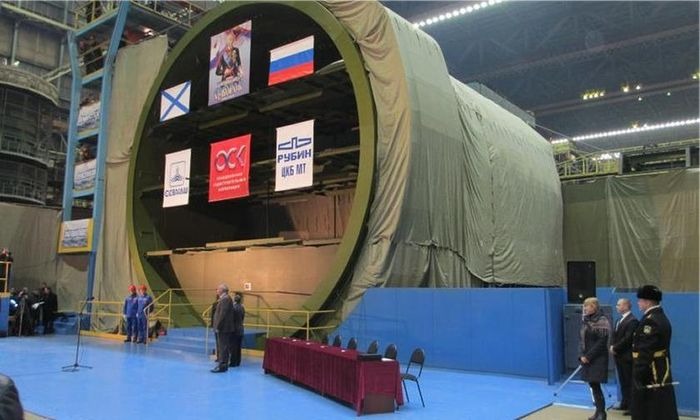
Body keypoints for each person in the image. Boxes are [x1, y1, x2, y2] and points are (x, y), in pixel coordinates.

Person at [631, 285, 678, 420]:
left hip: (651, 370)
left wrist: (638, 373)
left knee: (652, 407)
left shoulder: (651, 321)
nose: (638, 303)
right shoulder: (660, 317)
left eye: (640, 300)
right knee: (660, 405)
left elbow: (646, 350)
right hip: (659, 366)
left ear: (647, 302)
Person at [579, 297, 611, 420]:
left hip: (597, 358)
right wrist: (581, 355)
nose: (585, 308)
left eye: (587, 306)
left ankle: (602, 413)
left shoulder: (602, 320)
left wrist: (588, 356)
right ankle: (598, 411)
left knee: (596, 385)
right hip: (587, 358)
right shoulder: (586, 320)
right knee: (593, 385)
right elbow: (582, 339)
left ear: (594, 307)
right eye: (584, 306)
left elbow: (601, 343)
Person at [609, 298, 638, 414]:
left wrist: (615, 347)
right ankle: (624, 402)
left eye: (619, 305)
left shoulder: (632, 321)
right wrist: (612, 346)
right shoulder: (619, 320)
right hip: (619, 356)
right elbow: (614, 336)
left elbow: (628, 338)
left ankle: (632, 407)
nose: (617, 307)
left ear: (626, 306)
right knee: (622, 381)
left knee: (629, 381)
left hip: (627, 357)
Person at [211, 284, 234, 373]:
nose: (217, 290)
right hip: (223, 327)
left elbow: (222, 314)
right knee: (223, 347)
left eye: (218, 289)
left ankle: (222, 366)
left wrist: (218, 326)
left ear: (222, 290)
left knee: (223, 347)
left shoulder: (225, 299)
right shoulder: (224, 299)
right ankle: (222, 365)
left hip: (223, 328)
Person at [229, 292, 245, 368]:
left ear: (234, 300)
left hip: (234, 330)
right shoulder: (242, 307)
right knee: (238, 347)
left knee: (233, 347)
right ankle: (238, 361)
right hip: (241, 329)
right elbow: (242, 318)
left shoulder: (233, 308)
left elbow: (231, 319)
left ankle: (233, 362)